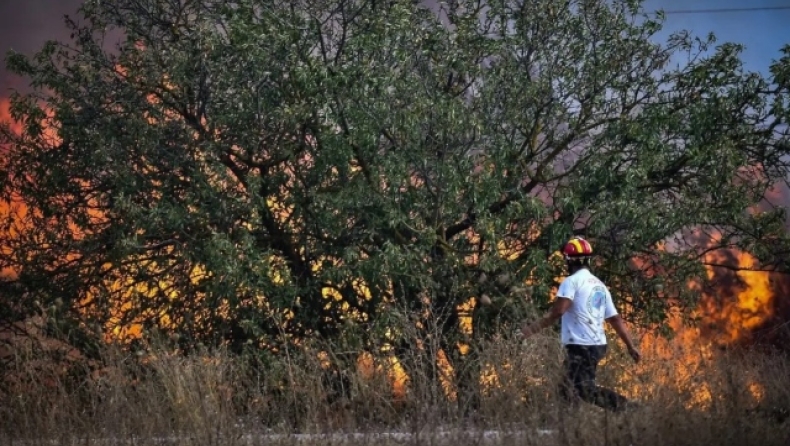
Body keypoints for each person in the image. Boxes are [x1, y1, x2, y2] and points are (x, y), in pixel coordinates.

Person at [518, 236, 641, 412]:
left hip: (581, 345)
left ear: (569, 261)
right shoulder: (599, 285)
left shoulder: (571, 282)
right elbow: (614, 318)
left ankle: (628, 408)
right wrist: (630, 346)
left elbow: (558, 312)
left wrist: (529, 330)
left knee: (584, 389)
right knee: (566, 388)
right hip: (597, 345)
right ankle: (569, 429)